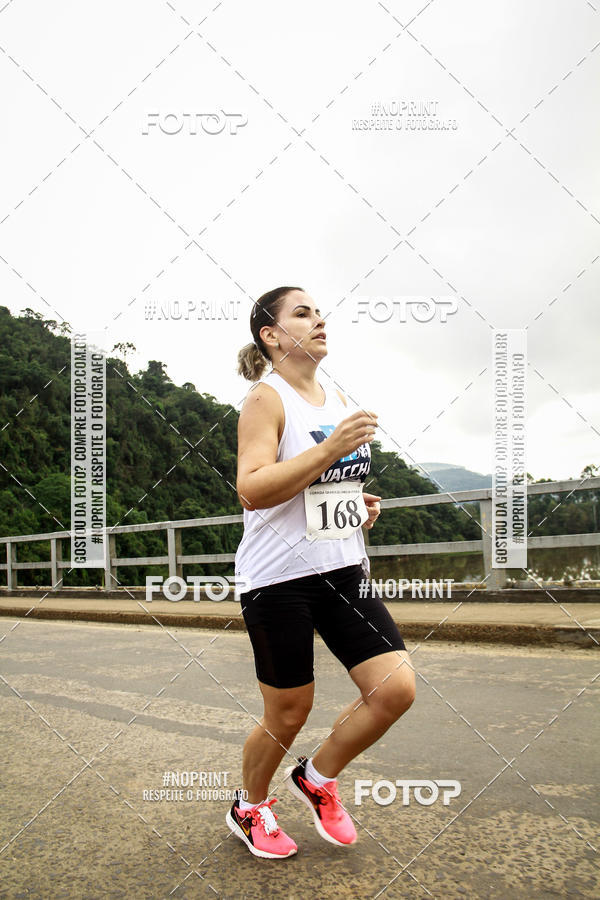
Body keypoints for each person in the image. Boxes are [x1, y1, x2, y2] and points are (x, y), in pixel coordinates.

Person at [225, 286, 415, 859]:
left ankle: (318, 776)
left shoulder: (334, 398)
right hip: (278, 579)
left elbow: (321, 491)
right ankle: (249, 806)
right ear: (272, 335)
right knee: (289, 709)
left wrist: (357, 506)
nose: (319, 320)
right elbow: (253, 488)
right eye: (302, 313)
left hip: (342, 570)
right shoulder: (266, 398)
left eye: (320, 311)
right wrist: (330, 449)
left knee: (394, 691)